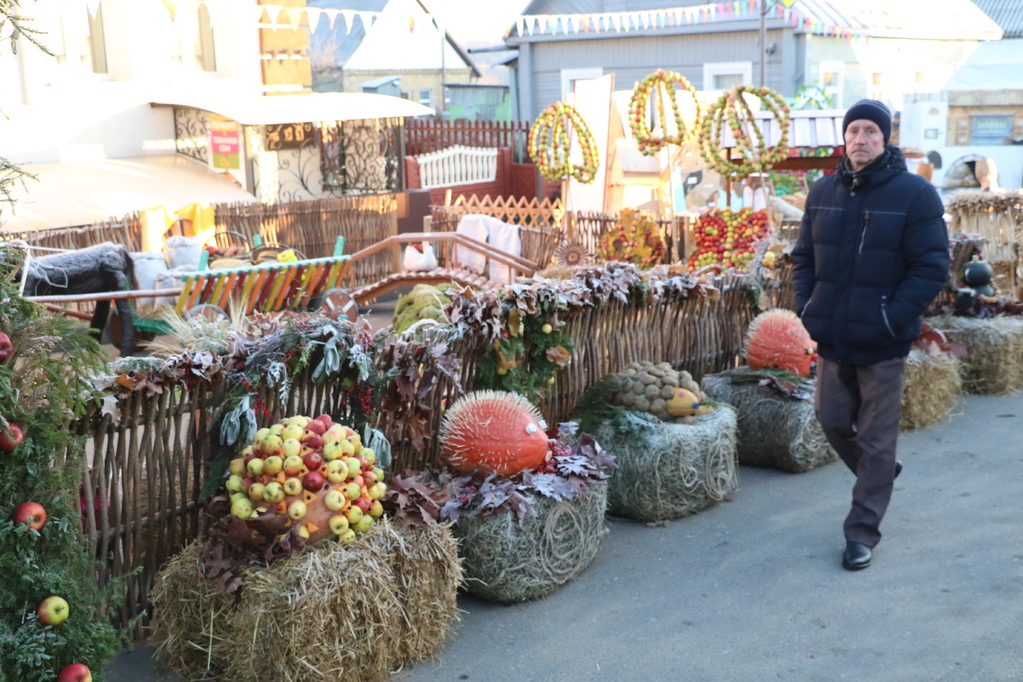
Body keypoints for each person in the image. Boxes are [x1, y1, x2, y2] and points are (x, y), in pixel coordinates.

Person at [791, 99, 950, 571]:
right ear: (845, 138)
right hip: (834, 336)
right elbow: (803, 259)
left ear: (885, 139)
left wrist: (892, 318)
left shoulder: (914, 195)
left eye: (870, 132)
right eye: (854, 131)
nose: (861, 139)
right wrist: (808, 307)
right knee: (832, 420)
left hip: (882, 341)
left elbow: (931, 266)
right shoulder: (822, 191)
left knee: (878, 439)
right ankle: (878, 473)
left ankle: (861, 532)